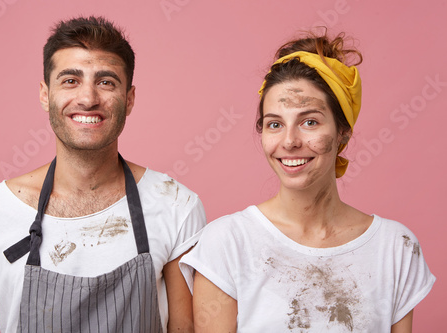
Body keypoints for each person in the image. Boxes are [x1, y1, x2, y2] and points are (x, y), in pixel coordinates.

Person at [0, 16, 206, 333]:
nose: (88, 99)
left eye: (106, 82)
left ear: (129, 99)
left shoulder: (176, 206)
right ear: (45, 94)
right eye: (70, 81)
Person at [180, 31, 435, 332]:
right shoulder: (226, 242)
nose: (289, 141)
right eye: (274, 124)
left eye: (309, 122)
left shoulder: (395, 248)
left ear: (343, 132)